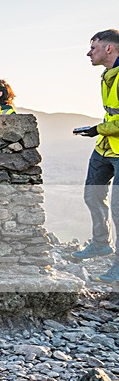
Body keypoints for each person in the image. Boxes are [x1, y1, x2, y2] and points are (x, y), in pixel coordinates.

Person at [71, 29, 119, 283]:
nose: (89, 52)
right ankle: (101, 244)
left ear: (109, 48)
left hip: (113, 145)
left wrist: (96, 129)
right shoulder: (107, 75)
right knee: (92, 196)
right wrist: (98, 131)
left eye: (93, 47)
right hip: (105, 147)